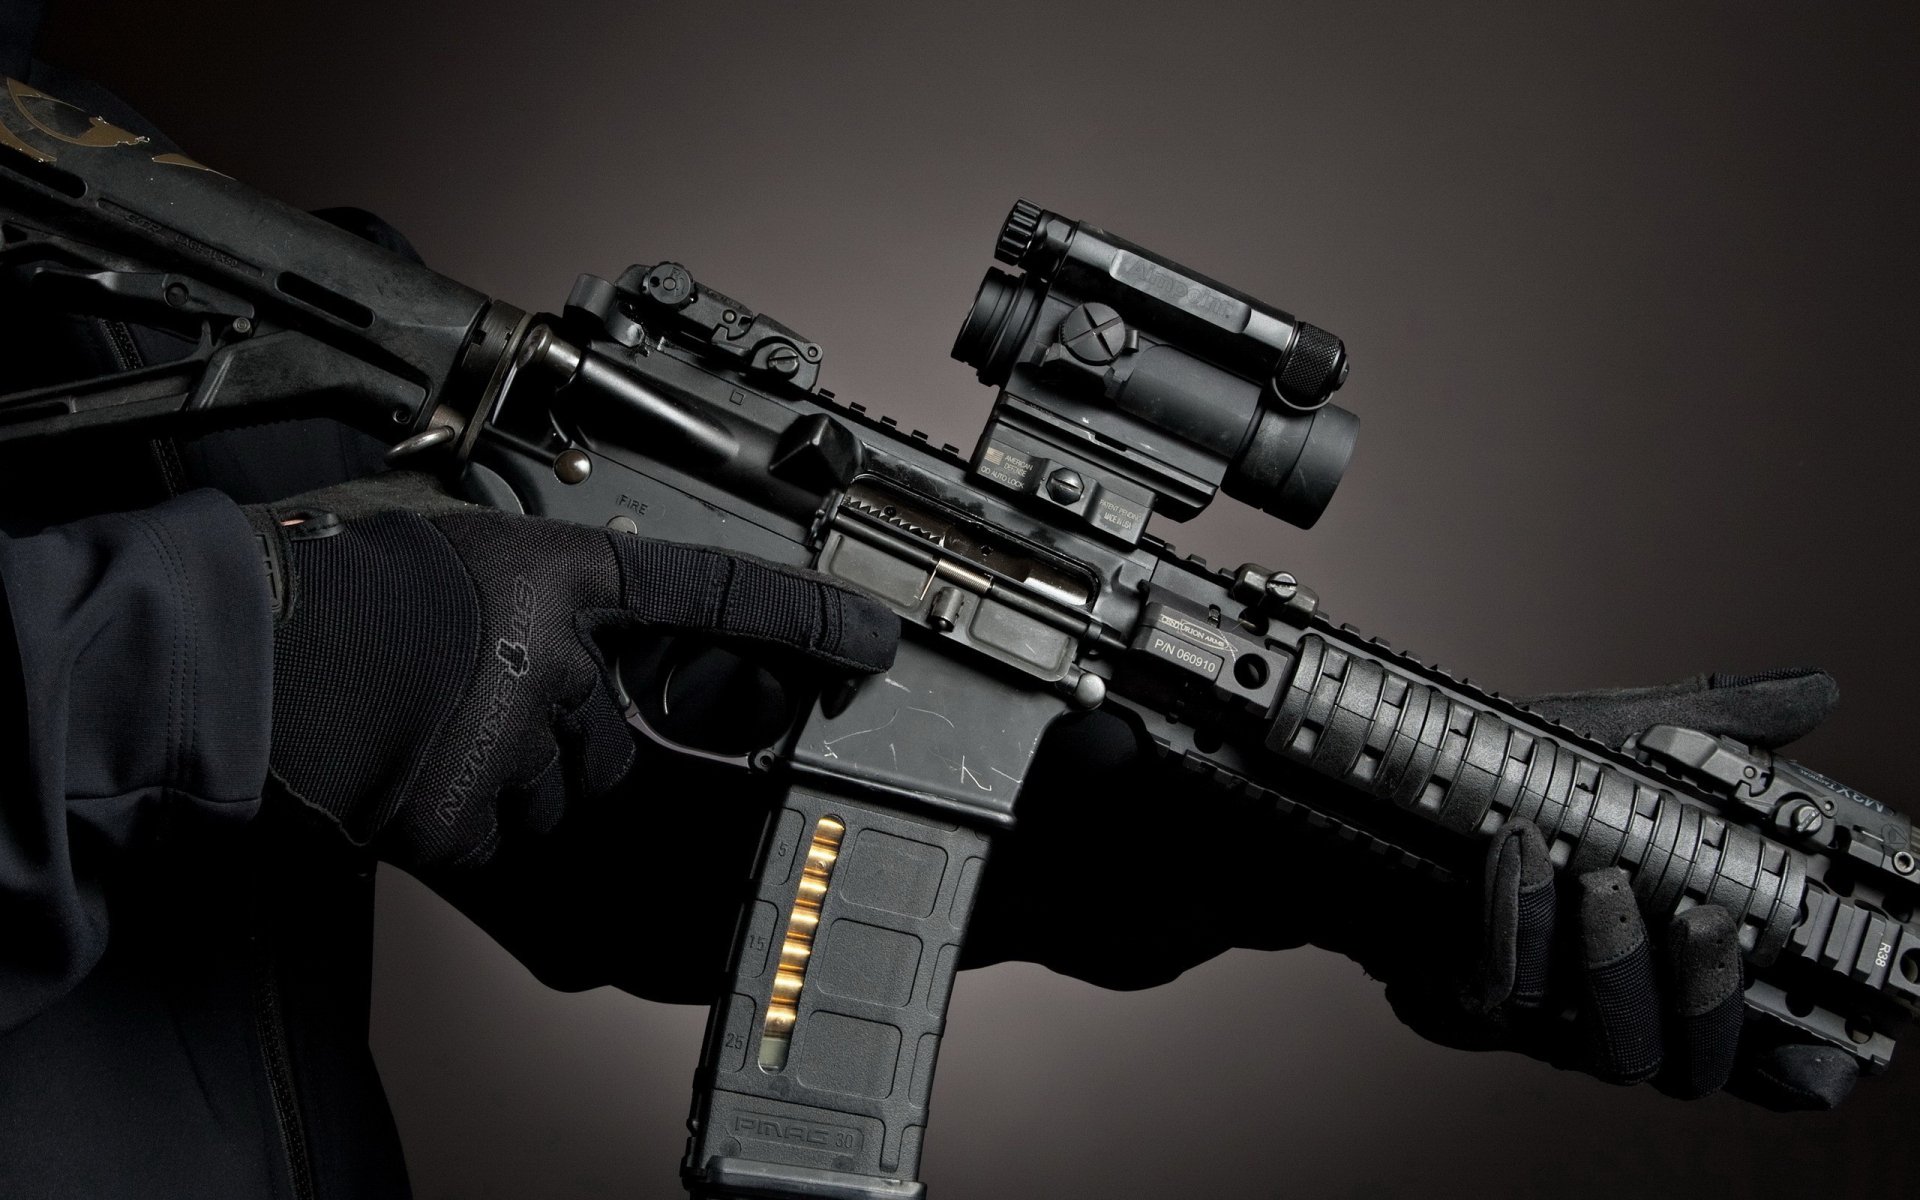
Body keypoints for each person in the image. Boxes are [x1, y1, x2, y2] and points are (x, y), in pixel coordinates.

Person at [0, 11, 1867, 1197]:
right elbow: (298, 655)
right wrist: (221, 651)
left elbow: (588, 796)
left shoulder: (84, 165)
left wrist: (1303, 841)